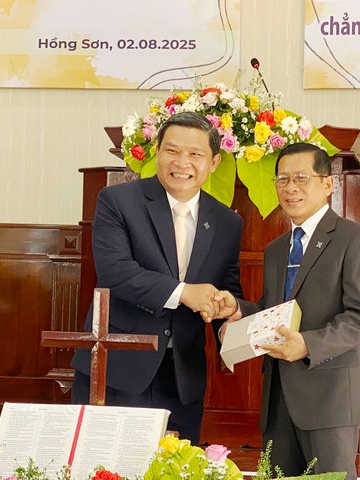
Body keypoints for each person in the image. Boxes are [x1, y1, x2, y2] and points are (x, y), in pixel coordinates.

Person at [209, 143, 360, 478]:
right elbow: (274, 310)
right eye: (283, 179)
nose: (290, 188)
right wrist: (239, 309)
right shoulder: (276, 249)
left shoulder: (357, 239)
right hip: (278, 398)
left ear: (327, 183)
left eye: (301, 178)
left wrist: (306, 345)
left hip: (330, 396)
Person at [71, 112, 243, 444]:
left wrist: (229, 310)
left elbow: (228, 288)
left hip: (182, 378)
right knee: (104, 463)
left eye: (195, 154)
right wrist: (185, 293)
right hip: (118, 367)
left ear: (214, 163)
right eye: (172, 151)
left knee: (177, 465)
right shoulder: (118, 201)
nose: (182, 162)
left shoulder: (227, 222)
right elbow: (116, 272)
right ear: (157, 152)